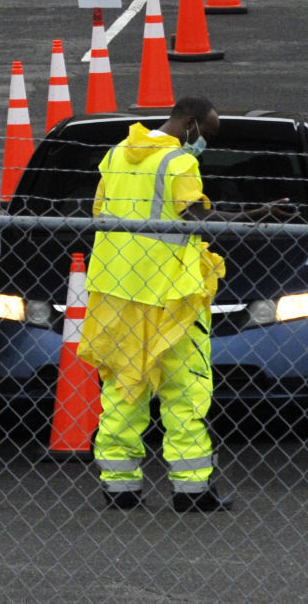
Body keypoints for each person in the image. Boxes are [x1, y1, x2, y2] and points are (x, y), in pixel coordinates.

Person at [75, 97, 229, 512]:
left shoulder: (115, 154)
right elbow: (196, 216)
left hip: (116, 290)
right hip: (171, 294)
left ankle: (119, 488)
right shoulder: (179, 162)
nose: (204, 144)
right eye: (207, 136)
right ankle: (192, 492)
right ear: (192, 124)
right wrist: (252, 216)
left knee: (124, 388)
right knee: (185, 391)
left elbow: (99, 212)